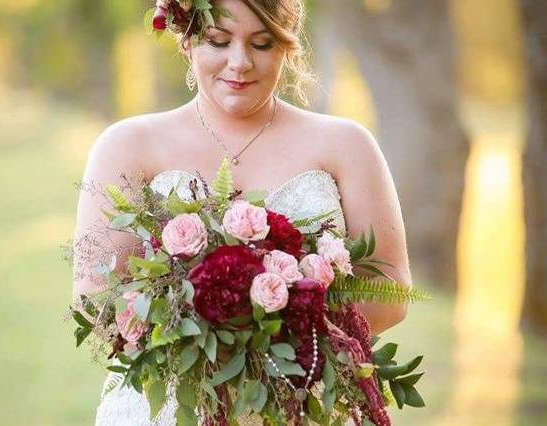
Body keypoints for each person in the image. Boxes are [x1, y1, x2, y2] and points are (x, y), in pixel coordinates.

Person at [72, 0, 412, 424]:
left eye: (262, 43)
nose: (240, 62)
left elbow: (391, 294)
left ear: (286, 47)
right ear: (187, 41)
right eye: (218, 41)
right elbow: (94, 301)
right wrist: (199, 327)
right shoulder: (126, 145)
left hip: (298, 404)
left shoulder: (346, 145)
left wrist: (278, 319)